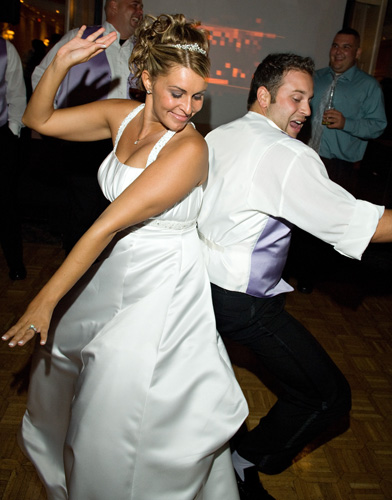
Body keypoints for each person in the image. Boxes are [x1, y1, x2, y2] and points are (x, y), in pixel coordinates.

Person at [2, 15, 248, 500]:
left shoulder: (189, 149)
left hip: (162, 283)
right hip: (114, 265)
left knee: (115, 407)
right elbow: (38, 121)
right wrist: (60, 63)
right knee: (66, 369)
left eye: (198, 97)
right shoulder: (122, 115)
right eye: (177, 93)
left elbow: (105, 225)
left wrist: (44, 299)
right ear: (148, 80)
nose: (188, 108)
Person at [197, 53, 392, 500]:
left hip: (199, 284)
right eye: (296, 98)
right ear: (264, 96)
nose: (307, 110)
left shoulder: (221, 133)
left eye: (309, 99)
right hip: (242, 301)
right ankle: (242, 463)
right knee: (328, 397)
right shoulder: (286, 154)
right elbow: (360, 226)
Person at [32, 0, 144, 253]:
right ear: (113, 6)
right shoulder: (82, 38)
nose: (140, 11)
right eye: (134, 5)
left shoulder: (141, 48)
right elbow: (42, 75)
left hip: (127, 143)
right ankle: (76, 269)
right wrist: (59, 115)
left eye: (141, 6)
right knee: (83, 211)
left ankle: (103, 269)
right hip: (85, 143)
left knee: (115, 210)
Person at [293, 28, 388, 293]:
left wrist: (348, 123)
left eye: (346, 47)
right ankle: (293, 268)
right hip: (306, 157)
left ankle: (312, 277)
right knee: (297, 216)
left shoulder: (368, 86)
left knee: (325, 223)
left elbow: (378, 125)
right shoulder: (316, 77)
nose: (339, 51)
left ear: (357, 52)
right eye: (336, 45)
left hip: (339, 167)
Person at [0, 33, 27, 280]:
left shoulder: (4, 48)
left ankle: (15, 263)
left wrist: (12, 132)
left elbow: (16, 94)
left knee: (5, 203)